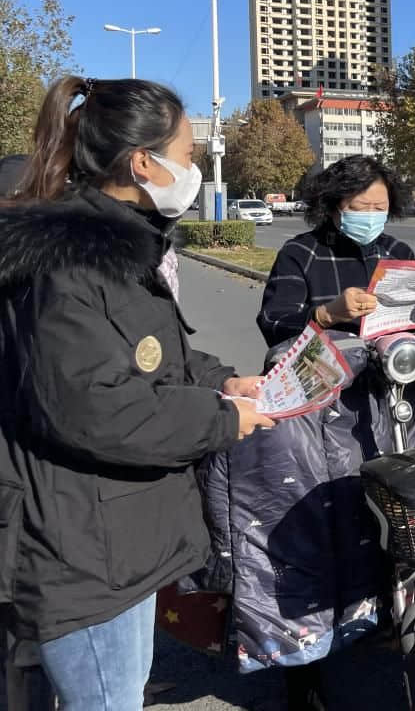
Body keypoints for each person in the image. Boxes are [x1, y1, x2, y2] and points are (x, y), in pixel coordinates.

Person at [0, 76, 273, 710]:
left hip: (108, 535)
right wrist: (222, 417)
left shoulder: (113, 248)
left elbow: (151, 360)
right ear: (142, 162)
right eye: (187, 155)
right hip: (84, 549)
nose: (194, 169)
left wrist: (222, 380)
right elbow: (97, 408)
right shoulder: (73, 263)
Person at [251, 155, 415, 709]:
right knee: (330, 516)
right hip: (329, 406)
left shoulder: (397, 253)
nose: (370, 216)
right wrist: (327, 314)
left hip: (402, 399)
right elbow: (275, 324)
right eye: (359, 207)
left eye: (380, 207)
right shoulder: (301, 252)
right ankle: (306, 656)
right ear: (332, 205)